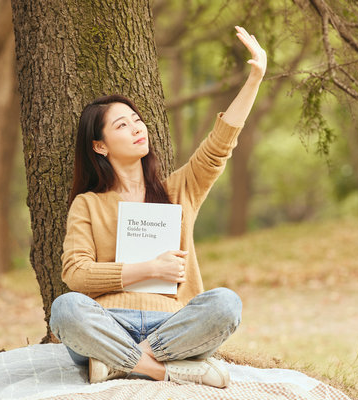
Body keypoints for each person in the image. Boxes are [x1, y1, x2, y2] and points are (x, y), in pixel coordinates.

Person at [49, 26, 266, 389]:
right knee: (65, 309)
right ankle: (165, 370)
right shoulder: (88, 204)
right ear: (100, 146)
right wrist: (148, 268)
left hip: (171, 325)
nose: (137, 128)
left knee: (226, 303)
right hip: (107, 322)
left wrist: (255, 78)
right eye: (122, 124)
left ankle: (122, 362)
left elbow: (219, 145)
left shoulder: (178, 190)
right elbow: (76, 274)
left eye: (137, 120)